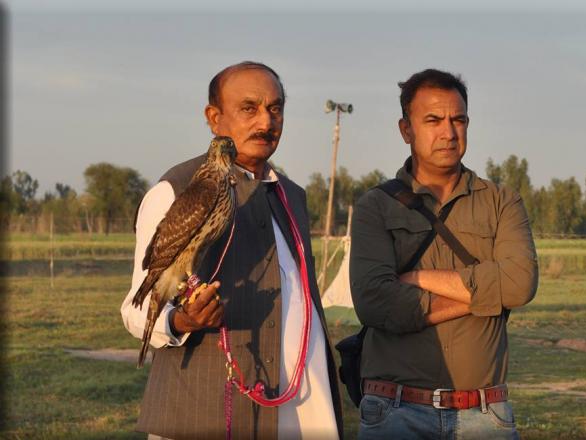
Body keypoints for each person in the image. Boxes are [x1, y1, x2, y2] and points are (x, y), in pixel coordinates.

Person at [121, 61, 342, 440]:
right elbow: (135, 309)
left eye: (275, 108)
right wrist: (182, 320)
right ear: (214, 118)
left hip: (299, 410)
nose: (266, 121)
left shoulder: (292, 195)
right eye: (249, 108)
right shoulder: (178, 188)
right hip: (203, 413)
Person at [349, 68, 538, 439]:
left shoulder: (502, 201)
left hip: (484, 415)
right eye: (433, 120)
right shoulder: (376, 206)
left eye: (458, 120)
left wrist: (418, 278)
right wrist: (486, 296)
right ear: (406, 129)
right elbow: (375, 302)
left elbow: (519, 285)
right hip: (395, 411)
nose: (449, 133)